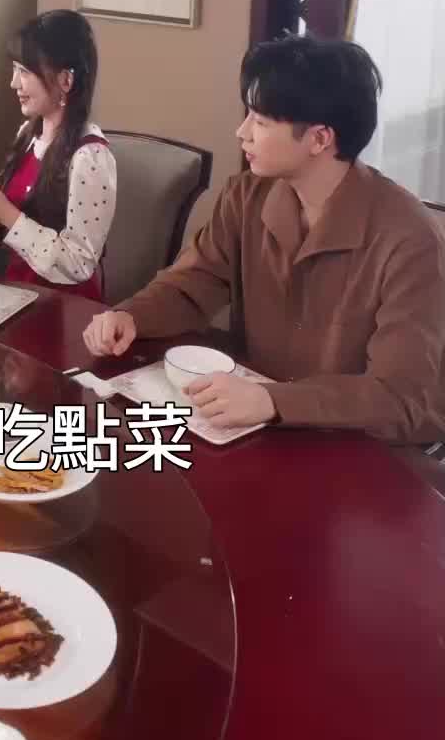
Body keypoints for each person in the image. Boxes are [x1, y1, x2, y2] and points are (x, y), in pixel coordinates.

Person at [82, 35, 445, 442]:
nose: (242, 132)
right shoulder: (247, 196)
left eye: (261, 121)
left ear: (319, 139)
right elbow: (193, 284)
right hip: (258, 426)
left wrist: (274, 401)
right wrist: (132, 316)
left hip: (364, 448)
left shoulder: (410, 239)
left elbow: (399, 398)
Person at [0, 9, 116, 293]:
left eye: (25, 71)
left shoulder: (90, 158)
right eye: (15, 69)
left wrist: (6, 213)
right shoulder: (29, 134)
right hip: (18, 293)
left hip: (65, 307)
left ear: (66, 80)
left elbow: (79, 264)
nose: (13, 83)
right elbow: (16, 232)